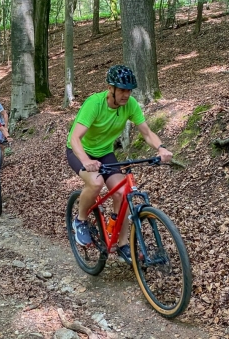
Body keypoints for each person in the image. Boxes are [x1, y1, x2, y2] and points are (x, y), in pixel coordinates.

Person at [66, 65, 173, 265]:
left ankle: (122, 244)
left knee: (123, 193)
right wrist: (87, 161)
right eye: (122, 90)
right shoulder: (94, 104)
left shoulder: (130, 105)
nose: (126, 95)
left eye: (129, 90)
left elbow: (147, 133)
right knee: (96, 183)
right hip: (79, 150)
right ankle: (80, 220)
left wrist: (161, 148)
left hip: (105, 152)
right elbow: (75, 138)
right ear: (111, 88)